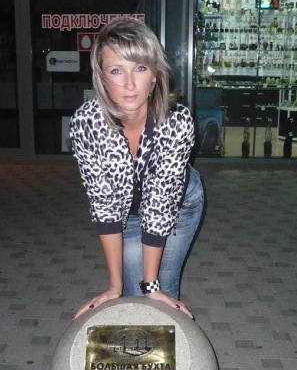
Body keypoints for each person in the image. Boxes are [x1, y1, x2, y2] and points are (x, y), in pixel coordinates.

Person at [69, 17, 204, 320]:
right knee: (131, 292)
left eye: (140, 68)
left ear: (154, 75)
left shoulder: (177, 121)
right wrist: (113, 287)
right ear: (102, 77)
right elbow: (104, 205)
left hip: (178, 204)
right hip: (125, 209)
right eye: (116, 70)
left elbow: (159, 203)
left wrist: (152, 285)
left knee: (157, 290)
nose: (129, 84)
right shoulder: (86, 124)